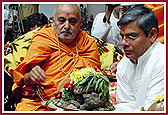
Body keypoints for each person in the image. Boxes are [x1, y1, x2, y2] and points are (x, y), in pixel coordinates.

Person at [12, 4, 101, 111]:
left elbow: (95, 80)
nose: (67, 26)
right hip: (44, 102)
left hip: (80, 104)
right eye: (61, 21)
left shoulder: (88, 43)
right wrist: (31, 76)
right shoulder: (43, 39)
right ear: (53, 21)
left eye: (72, 21)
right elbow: (25, 79)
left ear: (80, 22)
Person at [115, 5, 164, 111]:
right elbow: (125, 104)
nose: (124, 43)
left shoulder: (163, 61)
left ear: (152, 35)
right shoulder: (124, 63)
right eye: (122, 36)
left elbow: (154, 109)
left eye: (131, 36)